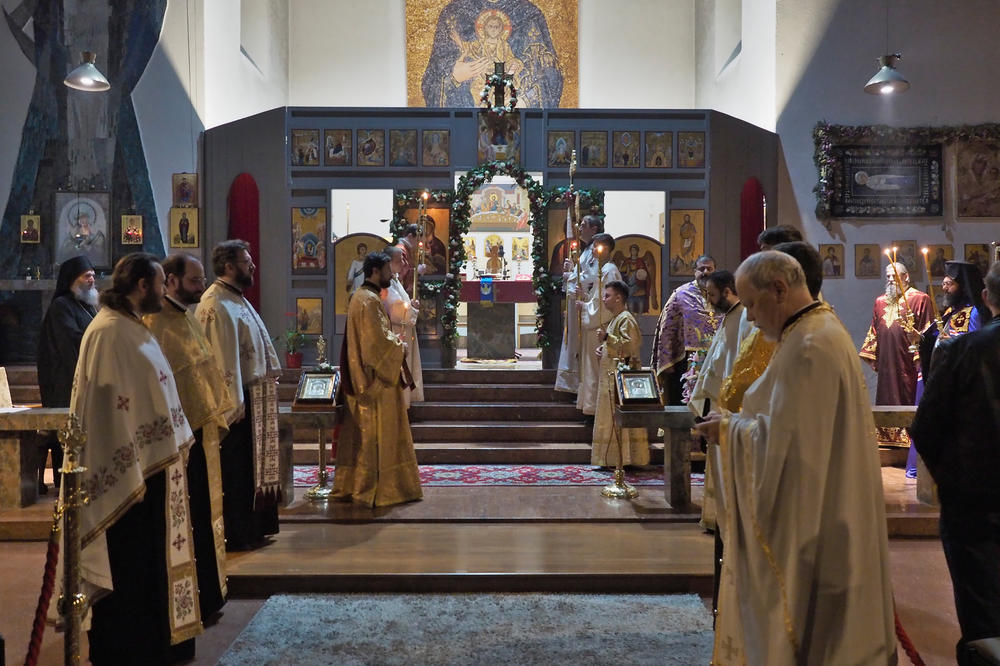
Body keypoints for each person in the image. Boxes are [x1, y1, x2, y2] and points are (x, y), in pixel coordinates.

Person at [695, 251, 896, 665]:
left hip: (819, 525)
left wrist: (728, 432)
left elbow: (792, 454)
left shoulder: (809, 345)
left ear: (780, 289)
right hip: (829, 513)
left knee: (819, 634)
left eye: (751, 304)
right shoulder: (817, 331)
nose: (749, 318)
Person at [65, 253, 202, 664]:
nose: (164, 291)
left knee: (147, 568)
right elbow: (110, 412)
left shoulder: (130, 327)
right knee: (132, 568)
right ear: (142, 285)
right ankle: (128, 647)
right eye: (161, 283)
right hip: (131, 480)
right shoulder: (109, 333)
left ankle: (152, 642)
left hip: (152, 472)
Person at [909, 260, 1000, 665]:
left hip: (976, 504)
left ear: (986, 296)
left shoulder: (964, 349)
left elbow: (926, 426)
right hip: (975, 500)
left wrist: (952, 482)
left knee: (982, 612)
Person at [144, 254, 232, 621]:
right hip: (179, 441)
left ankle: (208, 597)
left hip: (201, 432)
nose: (201, 285)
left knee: (205, 516)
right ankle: (193, 602)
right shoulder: (154, 324)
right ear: (173, 280)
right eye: (195, 280)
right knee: (188, 522)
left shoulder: (186, 317)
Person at [196, 240, 282, 550]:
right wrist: (233, 404)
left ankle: (255, 529)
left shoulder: (235, 299)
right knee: (236, 472)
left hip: (250, 397)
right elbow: (222, 360)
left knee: (250, 470)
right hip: (236, 403)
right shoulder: (216, 304)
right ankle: (238, 533)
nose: (253, 265)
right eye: (247, 261)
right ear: (229, 266)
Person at [333, 251, 423, 507]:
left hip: (366, 378)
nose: (391, 275)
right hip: (375, 383)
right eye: (387, 270)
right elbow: (376, 345)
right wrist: (399, 346)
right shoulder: (368, 301)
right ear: (374, 271)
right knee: (378, 437)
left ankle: (359, 485)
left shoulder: (363, 297)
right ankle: (379, 488)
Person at [687, 269, 745, 532]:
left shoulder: (745, 317)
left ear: (727, 291)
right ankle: (715, 519)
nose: (709, 301)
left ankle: (725, 522)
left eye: (712, 294)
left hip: (731, 403)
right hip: (719, 399)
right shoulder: (730, 317)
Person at [36, 255, 97, 493]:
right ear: (72, 280)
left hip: (82, 375)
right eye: (86, 275)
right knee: (68, 431)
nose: (91, 279)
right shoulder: (61, 306)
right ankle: (67, 483)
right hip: (64, 379)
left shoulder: (88, 305)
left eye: (93, 274)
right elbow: (70, 341)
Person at [859, 262, 933, 446]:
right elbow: (874, 330)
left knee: (907, 392)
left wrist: (920, 357)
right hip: (886, 359)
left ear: (906, 277)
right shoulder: (880, 301)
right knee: (886, 392)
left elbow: (928, 331)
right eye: (888, 277)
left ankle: (909, 439)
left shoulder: (920, 298)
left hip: (908, 360)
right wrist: (872, 355)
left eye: (895, 276)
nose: (891, 280)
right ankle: (886, 438)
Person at [591, 280, 648, 468]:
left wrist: (607, 338)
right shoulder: (617, 318)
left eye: (607, 295)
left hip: (620, 380)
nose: (604, 299)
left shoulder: (626, 318)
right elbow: (615, 347)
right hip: (610, 376)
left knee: (617, 418)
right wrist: (603, 348)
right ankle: (611, 458)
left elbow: (630, 347)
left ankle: (623, 459)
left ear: (618, 298)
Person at [651, 254, 718, 405]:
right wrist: (666, 360)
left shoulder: (722, 295)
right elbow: (667, 328)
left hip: (716, 359)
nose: (706, 272)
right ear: (695, 271)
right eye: (702, 269)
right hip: (686, 360)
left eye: (710, 269)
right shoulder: (681, 295)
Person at [576, 232, 622, 419]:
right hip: (595, 326)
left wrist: (585, 307)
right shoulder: (603, 269)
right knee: (590, 369)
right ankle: (591, 408)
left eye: (596, 246)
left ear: (606, 248)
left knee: (596, 369)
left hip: (601, 328)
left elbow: (605, 305)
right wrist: (586, 298)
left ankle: (597, 412)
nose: (593, 249)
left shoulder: (609, 270)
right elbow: (599, 299)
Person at [555, 214, 602, 395]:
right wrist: (572, 269)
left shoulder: (595, 250)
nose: (579, 228)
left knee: (578, 343)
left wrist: (571, 276)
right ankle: (574, 384)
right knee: (573, 341)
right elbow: (584, 273)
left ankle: (578, 386)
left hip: (586, 303)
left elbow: (593, 275)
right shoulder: (587, 250)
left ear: (594, 229)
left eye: (583, 225)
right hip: (578, 303)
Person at [383, 245, 424, 407]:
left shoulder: (394, 279)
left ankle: (406, 403)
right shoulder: (385, 283)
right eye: (400, 260)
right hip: (397, 332)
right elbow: (395, 309)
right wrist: (411, 309)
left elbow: (403, 302)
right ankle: (400, 405)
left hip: (405, 330)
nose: (404, 263)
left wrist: (411, 304)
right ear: (389, 263)